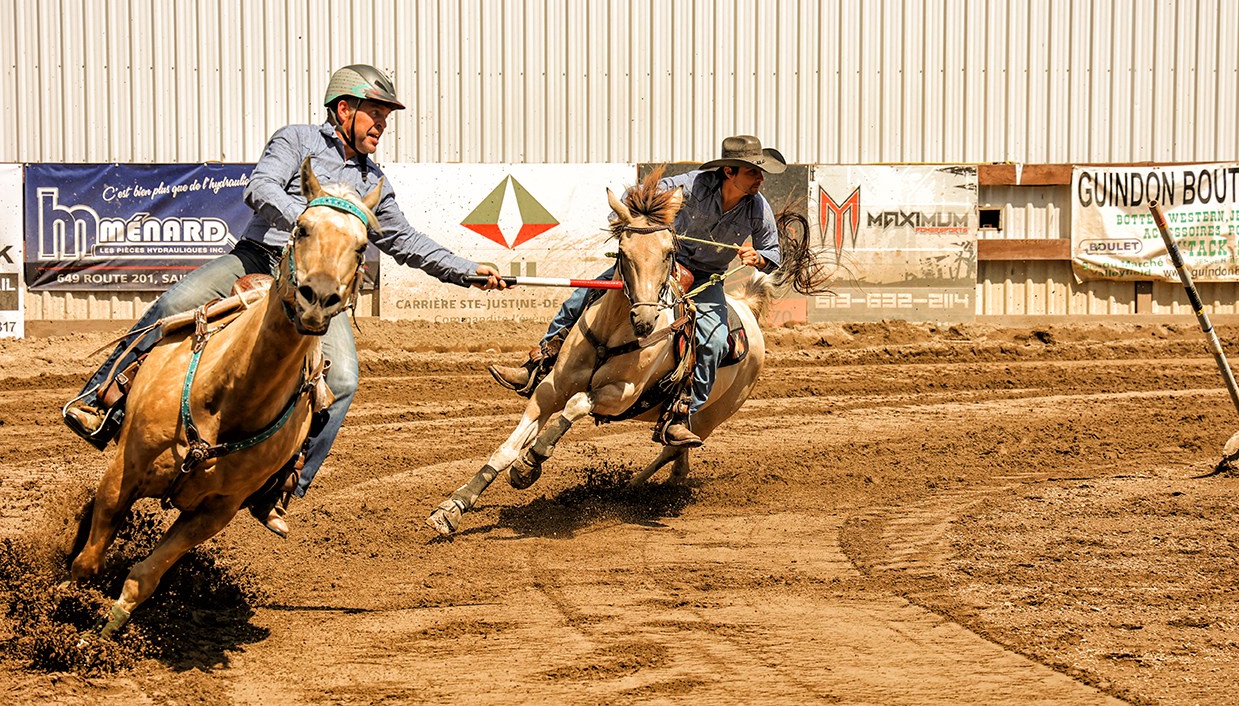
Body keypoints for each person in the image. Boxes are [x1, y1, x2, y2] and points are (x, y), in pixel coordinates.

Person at [63, 64, 505, 536]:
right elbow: (260, 187)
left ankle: (282, 485)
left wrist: (465, 271)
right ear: (343, 110)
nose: (381, 125)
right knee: (177, 303)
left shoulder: (374, 182)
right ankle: (101, 401)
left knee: (344, 379)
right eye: (374, 114)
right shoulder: (296, 141)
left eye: (385, 117)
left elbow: (405, 240)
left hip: (320, 288)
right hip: (259, 259)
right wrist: (312, 221)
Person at [488, 134, 784, 447]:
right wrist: (637, 229)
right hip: (658, 264)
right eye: (753, 171)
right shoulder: (691, 185)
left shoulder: (757, 208)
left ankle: (680, 414)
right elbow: (634, 197)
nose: (760, 178)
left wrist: (759, 258)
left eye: (760, 171)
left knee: (713, 341)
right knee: (581, 298)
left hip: (705, 277)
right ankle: (538, 363)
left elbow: (772, 254)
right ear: (729, 172)